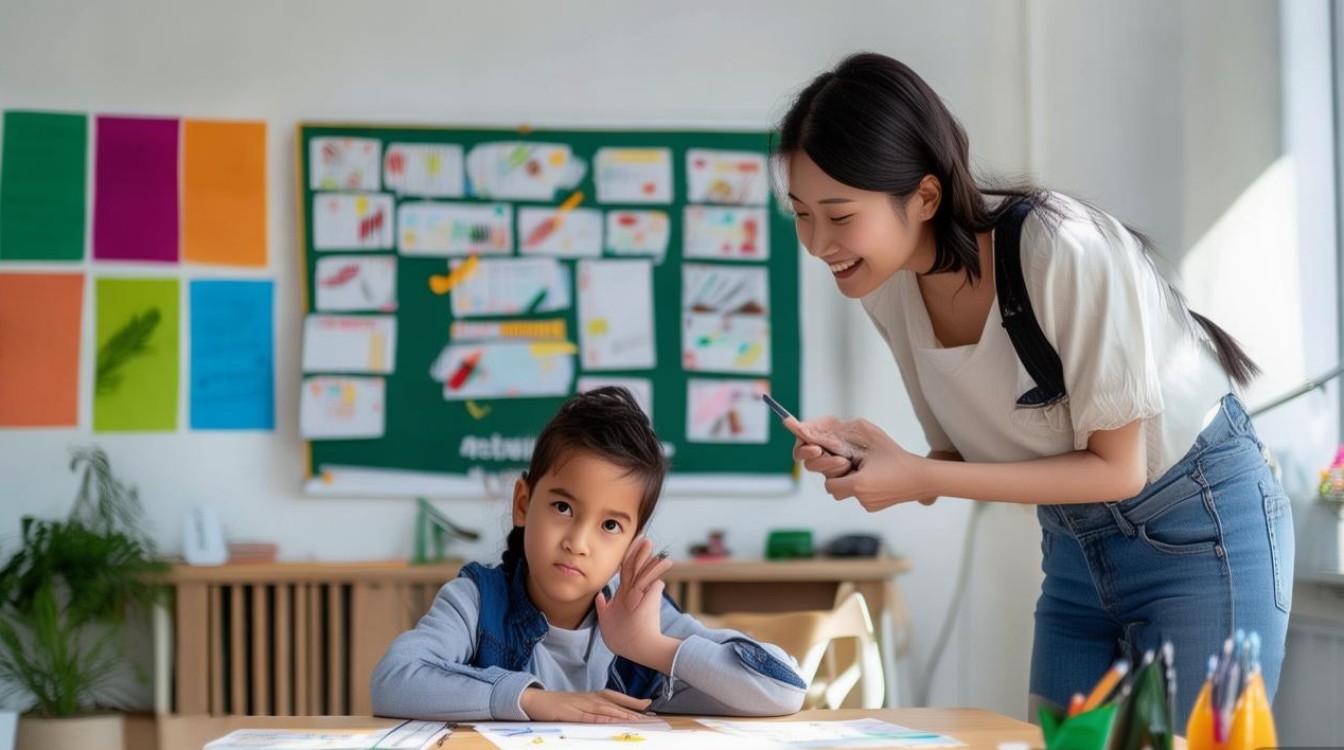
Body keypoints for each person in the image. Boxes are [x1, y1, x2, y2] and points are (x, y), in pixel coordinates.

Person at [775, 52, 1292, 724]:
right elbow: (975, 465)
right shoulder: (887, 288)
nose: (818, 244)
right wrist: (885, 459)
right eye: (801, 214)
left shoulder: (1058, 248)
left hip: (1200, 525)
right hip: (1075, 546)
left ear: (924, 196)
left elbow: (1117, 467)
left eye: (839, 216)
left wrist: (916, 476)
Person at [371, 386, 806, 722]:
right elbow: (393, 681)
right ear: (523, 503)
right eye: (562, 507)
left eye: (610, 526)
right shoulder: (476, 600)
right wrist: (534, 700)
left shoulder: (644, 619)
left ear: (632, 542)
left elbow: (785, 689)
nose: (578, 541)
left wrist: (650, 646)